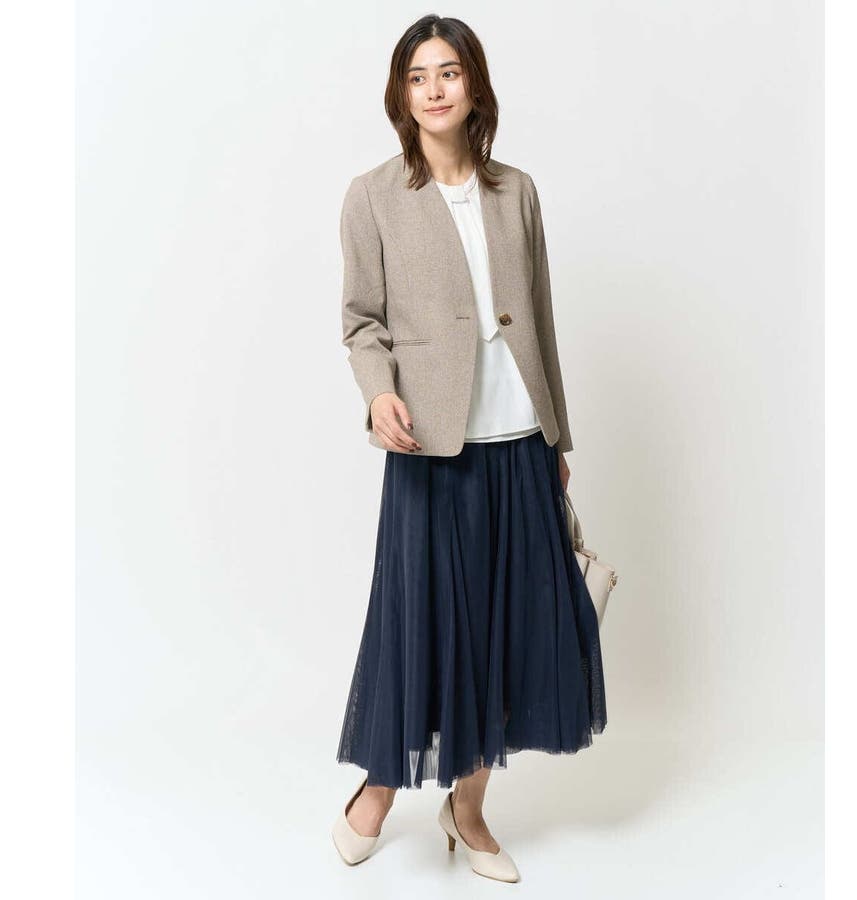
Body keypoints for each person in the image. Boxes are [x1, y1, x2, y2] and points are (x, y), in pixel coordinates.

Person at [331, 14, 607, 883]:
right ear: (401, 94)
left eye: (449, 72)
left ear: (474, 84)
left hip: (519, 438)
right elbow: (361, 323)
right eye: (418, 76)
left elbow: (542, 320)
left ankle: (470, 809)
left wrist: (556, 435)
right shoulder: (372, 196)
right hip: (430, 445)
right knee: (419, 624)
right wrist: (378, 392)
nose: (435, 88)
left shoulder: (516, 191)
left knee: (508, 629)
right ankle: (378, 790)